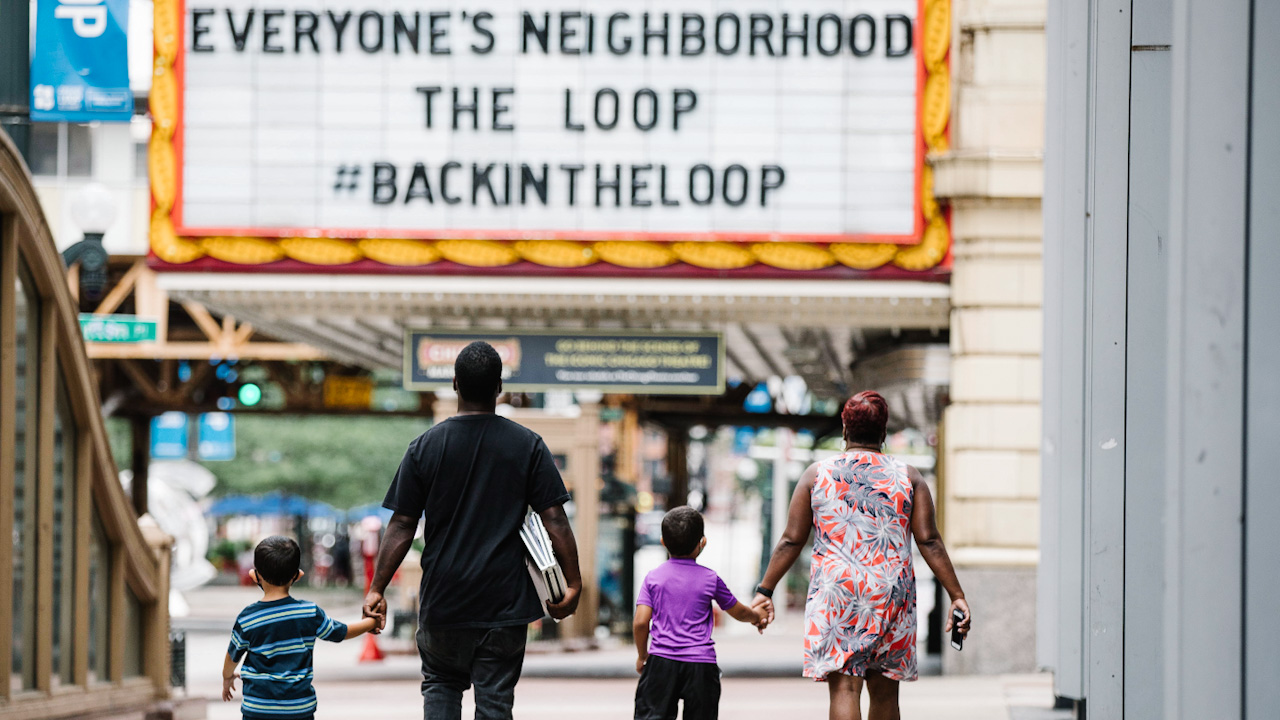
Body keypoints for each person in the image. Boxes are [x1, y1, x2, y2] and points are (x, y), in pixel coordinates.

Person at [361, 341, 582, 720]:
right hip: (504, 605)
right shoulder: (527, 445)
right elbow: (555, 519)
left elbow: (401, 524)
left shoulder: (424, 447)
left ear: (454, 384)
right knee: (495, 701)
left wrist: (377, 587)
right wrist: (573, 583)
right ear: (500, 387)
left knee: (441, 688)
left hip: (443, 602)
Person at [750, 391, 971, 720]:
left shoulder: (816, 475)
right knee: (885, 692)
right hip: (890, 593)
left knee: (844, 689)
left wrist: (764, 590)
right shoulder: (908, 477)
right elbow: (929, 540)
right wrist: (957, 595)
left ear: (844, 428)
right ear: (883, 431)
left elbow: (790, 540)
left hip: (837, 593)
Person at [221, 535, 377, 719]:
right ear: (298, 575)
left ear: (255, 575)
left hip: (258, 710)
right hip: (299, 709)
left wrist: (227, 677)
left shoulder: (248, 617)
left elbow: (233, 656)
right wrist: (371, 622)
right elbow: (341, 632)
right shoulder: (309, 612)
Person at [633, 506, 766, 720]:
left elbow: (640, 622)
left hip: (661, 662)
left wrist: (642, 656)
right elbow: (738, 611)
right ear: (702, 542)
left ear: (662, 542)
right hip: (701, 665)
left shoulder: (653, 578)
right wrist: (757, 616)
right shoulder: (710, 579)